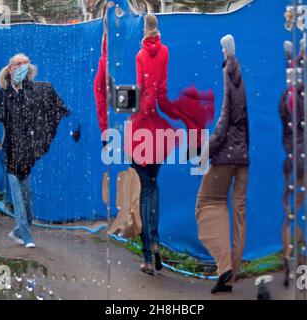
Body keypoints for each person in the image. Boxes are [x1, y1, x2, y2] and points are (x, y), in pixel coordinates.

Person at [122, 14, 214, 275]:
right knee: (153, 185)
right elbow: (161, 90)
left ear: (144, 29)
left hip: (142, 127)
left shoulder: (140, 56)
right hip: (158, 129)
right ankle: (157, 244)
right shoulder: (166, 51)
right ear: (157, 29)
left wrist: (136, 108)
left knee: (145, 189)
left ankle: (148, 255)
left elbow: (141, 88)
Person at [0, 53, 70, 248]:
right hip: (12, 155)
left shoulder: (36, 91)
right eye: (18, 64)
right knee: (19, 199)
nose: (23, 66)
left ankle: (18, 231)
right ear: (10, 69)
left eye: (26, 63)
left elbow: (55, 109)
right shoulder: (2, 95)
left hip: (27, 155)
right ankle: (27, 236)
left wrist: (63, 120)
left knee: (28, 201)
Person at [195, 34, 249, 294]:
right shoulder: (241, 77)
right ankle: (229, 278)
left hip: (227, 155)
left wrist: (207, 150)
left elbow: (225, 119)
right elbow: (242, 121)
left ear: (226, 52)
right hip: (243, 158)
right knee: (238, 217)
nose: (221, 53)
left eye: (221, 50)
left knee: (207, 203)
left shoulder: (228, 73)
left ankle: (224, 266)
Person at [279, 39, 307, 287]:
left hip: (290, 159)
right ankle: (301, 270)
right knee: (302, 212)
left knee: (290, 213)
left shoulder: (285, 99)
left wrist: (297, 57)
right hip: (306, 161)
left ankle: (287, 263)